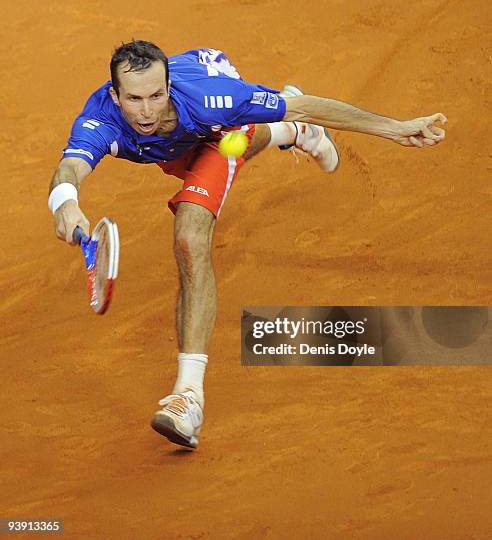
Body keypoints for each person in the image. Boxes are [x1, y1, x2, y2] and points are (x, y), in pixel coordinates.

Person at [48, 40, 447, 449]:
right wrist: (66, 203)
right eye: (134, 99)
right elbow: (71, 167)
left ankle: (189, 398)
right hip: (176, 149)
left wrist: (395, 128)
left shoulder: (211, 99)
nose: (147, 110)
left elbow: (308, 102)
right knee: (223, 147)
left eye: (156, 95)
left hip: (213, 106)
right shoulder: (101, 117)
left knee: (191, 232)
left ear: (169, 86)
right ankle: (290, 134)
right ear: (115, 96)